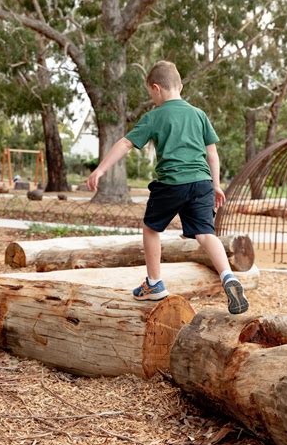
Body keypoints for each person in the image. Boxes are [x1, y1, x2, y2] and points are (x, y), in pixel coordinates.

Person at [86, 61, 249, 315]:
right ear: (180, 86)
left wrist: (101, 169)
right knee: (206, 234)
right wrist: (216, 185)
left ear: (156, 88)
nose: (152, 98)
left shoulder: (155, 116)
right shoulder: (198, 114)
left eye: (151, 94)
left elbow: (126, 144)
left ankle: (154, 283)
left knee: (151, 228)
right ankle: (228, 276)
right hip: (202, 183)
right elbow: (212, 154)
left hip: (172, 183)